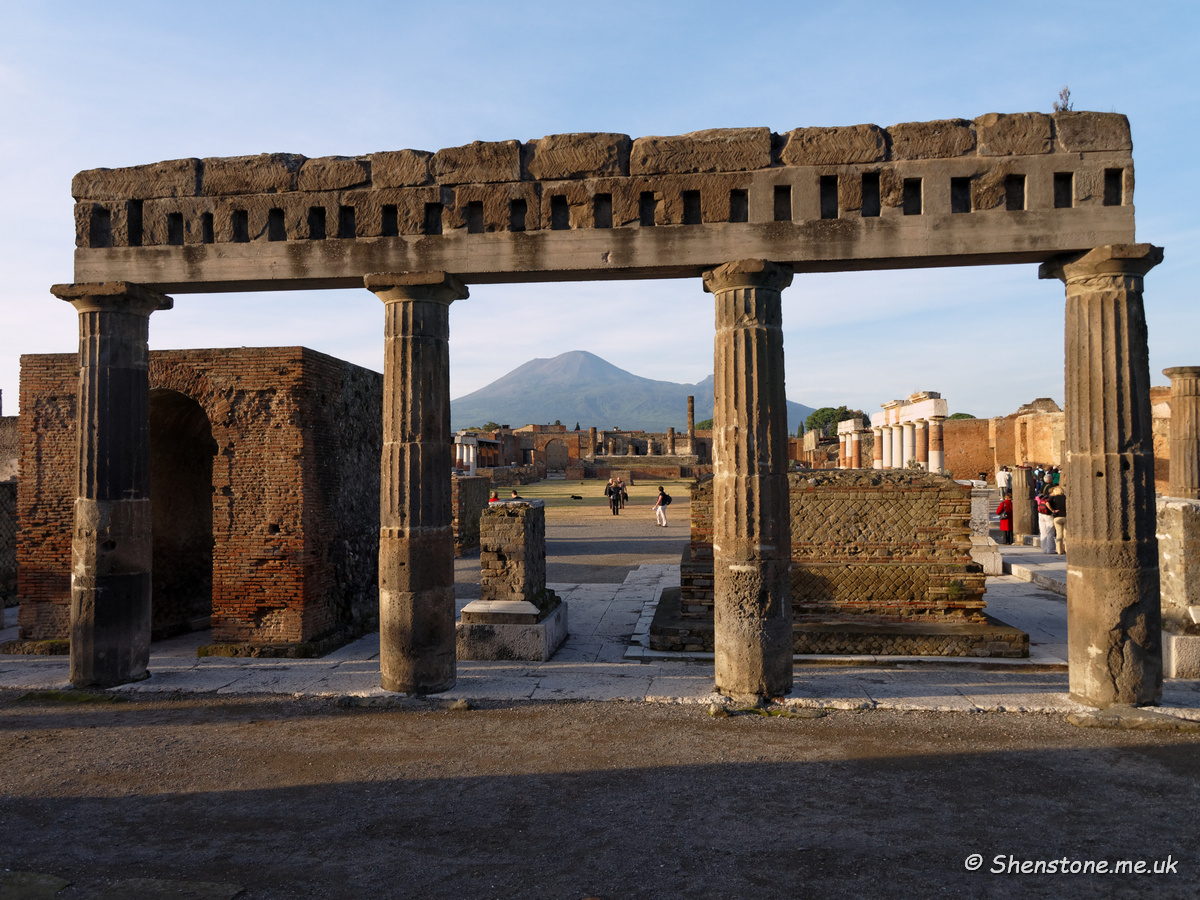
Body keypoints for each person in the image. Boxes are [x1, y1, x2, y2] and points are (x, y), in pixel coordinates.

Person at [1046, 485, 1066, 554]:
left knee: (1059, 534)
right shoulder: (1065, 497)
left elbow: (1047, 503)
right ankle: (1066, 549)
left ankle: (1059, 550)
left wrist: (1053, 510)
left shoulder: (1053, 498)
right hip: (1065, 516)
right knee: (1066, 535)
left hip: (1057, 517)